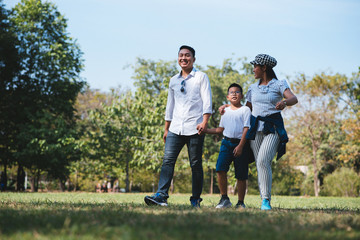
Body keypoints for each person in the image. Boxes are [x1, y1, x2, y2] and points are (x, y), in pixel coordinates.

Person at [144, 45, 212, 207]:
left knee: (195, 164)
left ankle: (195, 199)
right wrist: (166, 128)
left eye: (187, 55)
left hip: (195, 127)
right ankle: (161, 196)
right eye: (181, 55)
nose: (184, 58)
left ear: (193, 59)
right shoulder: (173, 80)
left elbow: (207, 101)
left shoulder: (201, 77)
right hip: (175, 128)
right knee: (167, 161)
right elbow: (170, 105)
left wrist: (205, 122)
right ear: (178, 58)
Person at [245, 54, 298, 210]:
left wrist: (284, 102)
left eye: (255, 66)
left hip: (273, 128)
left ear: (264, 68)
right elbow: (246, 109)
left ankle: (266, 200)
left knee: (263, 161)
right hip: (255, 129)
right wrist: (228, 109)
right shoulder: (252, 88)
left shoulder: (279, 84)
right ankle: (263, 199)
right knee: (259, 164)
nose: (253, 69)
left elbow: (294, 99)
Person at [205, 83, 251, 209]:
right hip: (226, 143)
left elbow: (246, 129)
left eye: (237, 92)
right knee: (220, 168)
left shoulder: (245, 110)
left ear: (241, 96)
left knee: (241, 174)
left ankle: (240, 202)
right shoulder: (225, 111)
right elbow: (220, 129)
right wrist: (205, 130)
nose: (234, 94)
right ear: (227, 96)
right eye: (231, 92)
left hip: (241, 144)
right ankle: (224, 198)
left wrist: (241, 146)